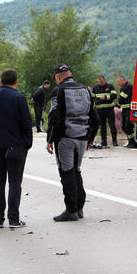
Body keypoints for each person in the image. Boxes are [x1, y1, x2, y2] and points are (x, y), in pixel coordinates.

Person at [46, 64, 98, 222]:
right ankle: (79, 207)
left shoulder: (59, 90)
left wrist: (50, 139)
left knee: (67, 172)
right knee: (76, 170)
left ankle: (71, 210)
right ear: (70, 73)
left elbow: (54, 117)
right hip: (82, 137)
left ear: (58, 77)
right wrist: (91, 138)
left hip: (65, 138)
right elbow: (94, 117)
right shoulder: (85, 89)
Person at [0, 69, 33, 229]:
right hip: (15, 145)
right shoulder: (19, 98)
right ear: (16, 81)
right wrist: (27, 144)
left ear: (0, 80)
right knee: (15, 182)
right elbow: (26, 123)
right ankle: (13, 219)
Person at [92, 75, 118, 147]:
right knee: (102, 127)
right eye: (99, 81)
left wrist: (106, 97)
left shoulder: (110, 86)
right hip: (100, 110)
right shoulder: (95, 88)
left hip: (109, 109)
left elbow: (114, 96)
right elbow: (92, 98)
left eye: (101, 81)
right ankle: (104, 142)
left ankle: (114, 141)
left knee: (112, 125)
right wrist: (96, 103)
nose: (100, 83)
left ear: (104, 80)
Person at [116, 75, 137, 148]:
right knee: (124, 127)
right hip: (124, 110)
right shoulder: (123, 88)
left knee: (128, 126)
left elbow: (122, 98)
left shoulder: (128, 86)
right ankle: (131, 141)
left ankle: (132, 143)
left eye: (118, 81)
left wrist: (118, 104)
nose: (118, 83)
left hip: (129, 109)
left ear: (123, 80)